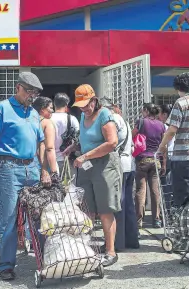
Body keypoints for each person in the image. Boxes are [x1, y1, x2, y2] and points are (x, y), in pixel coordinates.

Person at [0, 72, 51, 281]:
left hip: (33, 168)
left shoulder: (35, 113)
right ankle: (6, 265)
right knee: (8, 218)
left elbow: (41, 142)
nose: (32, 96)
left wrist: (44, 169)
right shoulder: (2, 108)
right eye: (29, 92)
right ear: (18, 88)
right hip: (8, 168)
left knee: (39, 217)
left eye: (35, 93)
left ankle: (44, 260)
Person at [70, 84, 121, 267]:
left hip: (105, 166)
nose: (84, 108)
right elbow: (86, 140)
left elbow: (112, 142)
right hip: (87, 167)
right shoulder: (84, 115)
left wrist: (86, 156)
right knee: (87, 209)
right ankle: (87, 248)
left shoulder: (105, 115)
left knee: (105, 210)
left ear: (94, 100)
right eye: (81, 105)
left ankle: (110, 252)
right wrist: (75, 147)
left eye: (87, 104)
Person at [158, 72, 189, 207]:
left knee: (183, 197)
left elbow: (172, 129)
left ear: (179, 87)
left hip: (183, 158)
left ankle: (184, 226)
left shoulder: (181, 103)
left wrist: (162, 147)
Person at [103, 100, 139, 251]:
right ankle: (131, 240)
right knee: (128, 205)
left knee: (117, 205)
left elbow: (111, 143)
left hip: (119, 166)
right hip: (128, 164)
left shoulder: (113, 120)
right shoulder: (123, 120)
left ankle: (117, 242)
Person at [133, 103, 165, 229]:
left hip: (142, 159)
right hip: (156, 160)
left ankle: (138, 221)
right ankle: (156, 220)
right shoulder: (161, 125)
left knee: (141, 191)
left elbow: (132, 134)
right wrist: (164, 163)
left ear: (146, 110)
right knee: (155, 191)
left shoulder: (141, 122)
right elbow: (164, 146)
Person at [51, 92, 80, 175]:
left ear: (54, 103)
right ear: (66, 105)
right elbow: (78, 138)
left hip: (51, 161)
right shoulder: (72, 119)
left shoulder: (48, 119)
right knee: (69, 186)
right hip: (67, 160)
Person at [32, 96, 59, 175]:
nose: (53, 110)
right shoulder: (47, 123)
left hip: (29, 165)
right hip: (45, 165)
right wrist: (53, 172)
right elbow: (49, 148)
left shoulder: (28, 122)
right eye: (50, 108)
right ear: (42, 109)